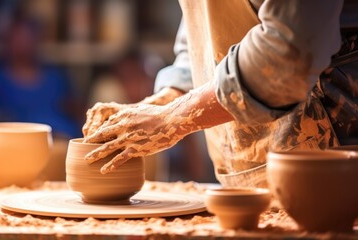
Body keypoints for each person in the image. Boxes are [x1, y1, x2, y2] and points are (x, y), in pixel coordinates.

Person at [82, 0, 358, 187]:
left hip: (332, 164)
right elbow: (202, 28)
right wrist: (169, 97)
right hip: (245, 172)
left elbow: (288, 53)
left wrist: (173, 117)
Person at [0, 13, 82, 138]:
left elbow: (77, 111)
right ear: (6, 41)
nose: (23, 43)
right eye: (17, 37)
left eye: (28, 37)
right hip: (14, 144)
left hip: (62, 144)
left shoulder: (56, 78)